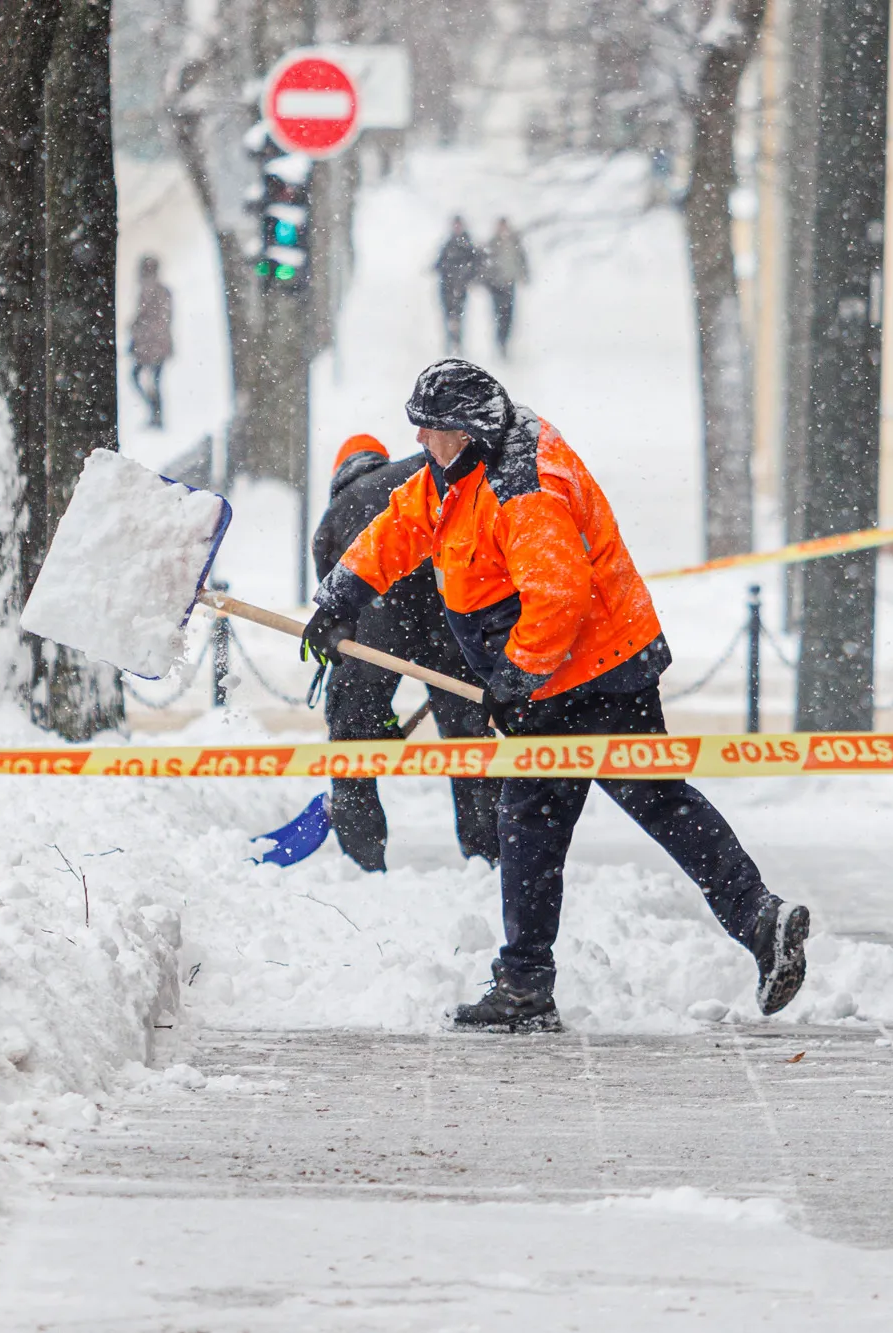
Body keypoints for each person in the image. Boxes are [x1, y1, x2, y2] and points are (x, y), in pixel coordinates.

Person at [303, 360, 810, 1033]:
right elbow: (403, 526)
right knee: (553, 822)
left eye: (432, 430)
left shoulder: (524, 485)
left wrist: (514, 680)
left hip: (594, 676)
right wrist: (344, 594)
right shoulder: (456, 475)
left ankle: (532, 983)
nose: (421, 441)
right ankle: (744, 923)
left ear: (469, 429)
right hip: (563, 676)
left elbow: (558, 596)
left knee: (596, 813)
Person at [307, 434, 501, 872]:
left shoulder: (336, 512)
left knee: (352, 735)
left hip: (378, 619)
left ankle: (363, 862)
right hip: (450, 611)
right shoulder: (410, 479)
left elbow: (338, 610)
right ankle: (489, 856)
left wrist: (371, 717)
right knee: (469, 733)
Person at [127, 254, 172, 429]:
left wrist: (139, 333)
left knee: (146, 378)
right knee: (152, 379)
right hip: (154, 344)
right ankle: (156, 414)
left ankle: (156, 414)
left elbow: (154, 320)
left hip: (152, 345)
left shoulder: (153, 292)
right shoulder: (158, 291)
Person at [482, 218, 529, 357]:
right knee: (498, 314)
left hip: (509, 283)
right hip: (496, 285)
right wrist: (487, 281)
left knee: (508, 315)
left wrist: (524, 274)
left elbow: (522, 259)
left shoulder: (515, 242)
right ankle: (500, 342)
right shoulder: (492, 243)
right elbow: (484, 264)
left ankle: (505, 341)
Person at [433, 217, 480, 356]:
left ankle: (457, 344)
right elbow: (439, 264)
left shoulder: (467, 245)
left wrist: (466, 278)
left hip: (460, 288)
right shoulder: (447, 243)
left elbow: (475, 266)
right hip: (446, 287)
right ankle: (450, 344)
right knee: (448, 317)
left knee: (458, 316)